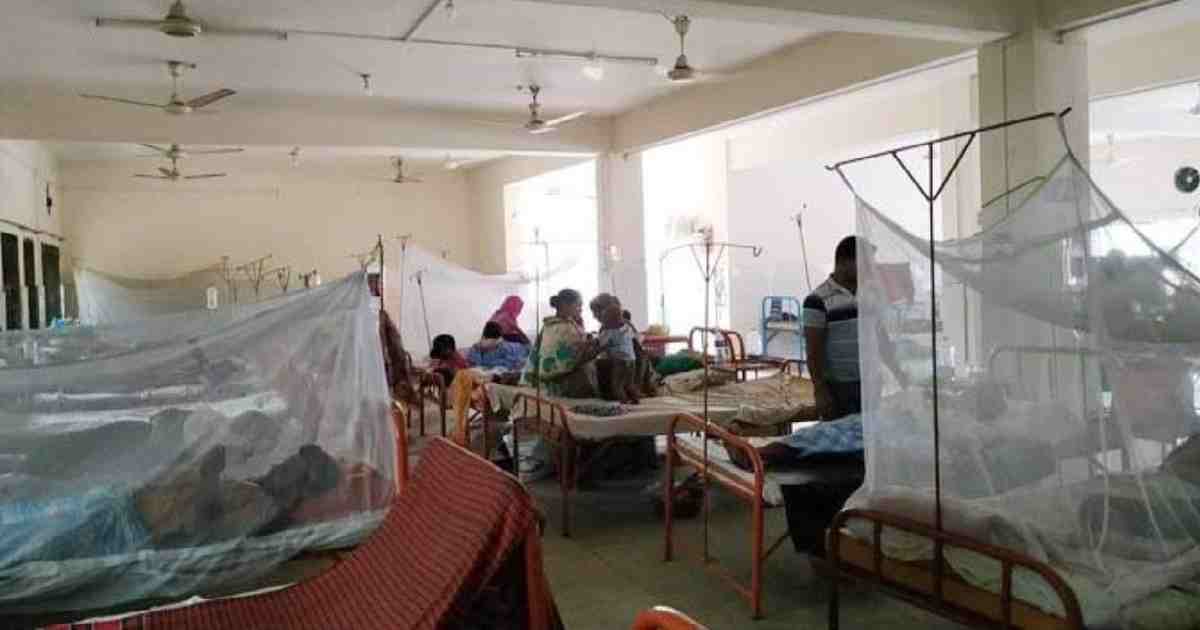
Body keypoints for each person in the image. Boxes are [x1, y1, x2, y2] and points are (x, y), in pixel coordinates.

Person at [732, 235, 905, 469]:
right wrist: (821, 391)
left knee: (863, 444)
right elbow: (814, 351)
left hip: (870, 384)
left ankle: (763, 455)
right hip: (840, 387)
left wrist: (899, 372)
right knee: (832, 440)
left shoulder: (870, 295)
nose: (870, 270)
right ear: (845, 262)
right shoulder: (817, 300)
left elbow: (881, 336)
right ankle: (762, 455)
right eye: (865, 264)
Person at [522, 288, 599, 398]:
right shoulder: (562, 328)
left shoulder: (551, 325)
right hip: (565, 385)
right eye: (578, 305)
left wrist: (586, 341)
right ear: (565, 305)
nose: (581, 309)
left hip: (552, 385)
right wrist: (593, 348)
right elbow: (569, 359)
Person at [597, 302, 640, 403]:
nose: (603, 324)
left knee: (617, 385)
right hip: (631, 360)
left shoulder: (609, 332)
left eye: (604, 321)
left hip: (620, 362)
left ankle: (623, 403)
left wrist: (589, 342)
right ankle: (636, 399)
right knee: (629, 384)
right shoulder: (627, 329)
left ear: (610, 322)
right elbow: (637, 336)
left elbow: (600, 344)